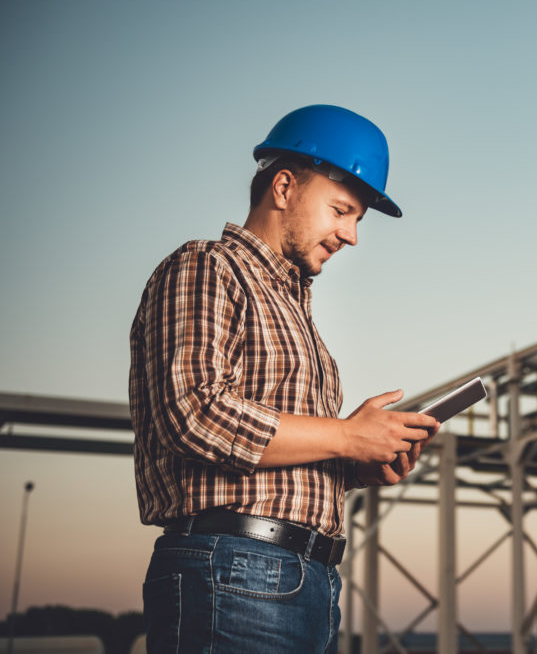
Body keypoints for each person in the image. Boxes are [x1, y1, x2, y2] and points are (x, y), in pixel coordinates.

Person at [129, 104, 439, 653]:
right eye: (342, 211)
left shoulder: (297, 314)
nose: (351, 236)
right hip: (233, 570)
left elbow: (274, 464)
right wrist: (345, 434)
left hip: (304, 580)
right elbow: (194, 414)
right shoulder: (207, 266)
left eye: (358, 220)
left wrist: (356, 463)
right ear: (284, 187)